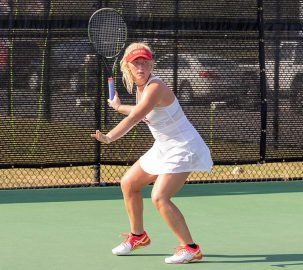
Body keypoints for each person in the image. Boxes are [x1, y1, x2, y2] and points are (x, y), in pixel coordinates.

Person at [90, 42, 213, 264]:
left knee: (160, 197)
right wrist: (118, 107)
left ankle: (190, 248)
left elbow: (135, 118)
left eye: (145, 62)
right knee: (129, 184)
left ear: (151, 64)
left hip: (183, 147)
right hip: (164, 146)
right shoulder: (141, 87)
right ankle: (138, 236)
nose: (141, 67)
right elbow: (142, 111)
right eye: (136, 63)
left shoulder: (155, 87)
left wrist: (109, 137)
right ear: (127, 66)